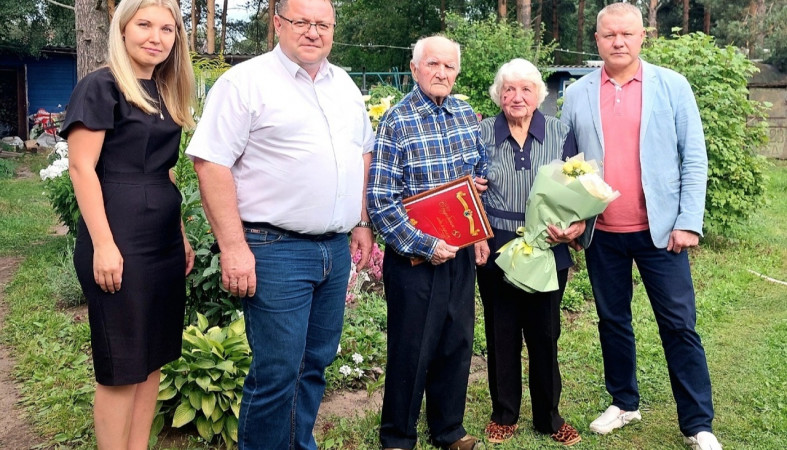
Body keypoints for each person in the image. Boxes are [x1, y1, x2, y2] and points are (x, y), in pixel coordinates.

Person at [185, 0, 374, 448]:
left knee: (314, 364)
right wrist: (232, 248)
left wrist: (361, 221)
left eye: (322, 24)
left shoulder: (343, 84)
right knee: (277, 373)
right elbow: (210, 163)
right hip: (275, 248)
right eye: (301, 22)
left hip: (333, 249)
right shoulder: (245, 83)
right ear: (278, 24)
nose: (313, 32)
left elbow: (362, 152)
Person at [560, 3, 720, 450]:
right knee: (613, 320)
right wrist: (573, 217)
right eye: (609, 35)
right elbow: (568, 166)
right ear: (597, 40)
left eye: (627, 34)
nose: (618, 42)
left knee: (679, 324)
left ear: (642, 36)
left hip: (662, 233)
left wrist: (688, 221)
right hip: (603, 233)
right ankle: (624, 402)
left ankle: (697, 423)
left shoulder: (671, 85)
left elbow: (694, 156)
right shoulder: (577, 93)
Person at [61, 0, 195, 448]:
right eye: (145, 25)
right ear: (122, 29)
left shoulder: (166, 90)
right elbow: (81, 168)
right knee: (121, 367)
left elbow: (167, 169)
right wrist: (103, 244)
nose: (156, 37)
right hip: (118, 234)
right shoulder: (100, 86)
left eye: (167, 29)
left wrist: (180, 235)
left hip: (161, 240)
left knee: (152, 359)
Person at [367, 35, 487, 450]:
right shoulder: (396, 121)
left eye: (449, 66)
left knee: (456, 343)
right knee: (411, 351)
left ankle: (448, 430)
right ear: (415, 68)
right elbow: (381, 200)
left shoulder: (465, 113)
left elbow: (478, 171)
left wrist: (478, 229)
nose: (442, 73)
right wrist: (424, 244)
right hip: (415, 260)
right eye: (433, 64)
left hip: (460, 255)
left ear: (457, 71)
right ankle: (398, 438)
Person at [476, 58, 583, 447]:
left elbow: (581, 189)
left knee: (544, 333)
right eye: (508, 89)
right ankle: (504, 413)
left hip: (547, 244)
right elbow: (467, 186)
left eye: (525, 89)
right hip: (498, 244)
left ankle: (548, 417)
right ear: (498, 95)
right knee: (501, 331)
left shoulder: (560, 132)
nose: (516, 97)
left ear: (539, 94)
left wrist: (577, 225)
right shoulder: (482, 132)